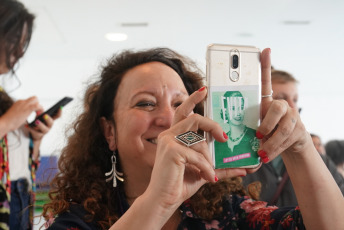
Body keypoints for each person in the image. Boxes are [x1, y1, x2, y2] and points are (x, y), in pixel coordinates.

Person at [41, 47, 344, 230]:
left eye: (179, 104)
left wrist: (300, 146)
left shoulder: (226, 214)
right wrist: (159, 201)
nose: (168, 119)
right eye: (145, 103)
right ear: (110, 131)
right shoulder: (76, 221)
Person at [243, 69, 344, 206]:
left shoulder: (317, 159)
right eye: (282, 99)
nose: (292, 107)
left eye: (295, 100)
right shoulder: (241, 158)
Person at [0, 0, 60, 229]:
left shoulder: (4, 95)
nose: (19, 51)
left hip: (17, 195)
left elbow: (19, 162)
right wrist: (8, 122)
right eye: (14, 40)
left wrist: (35, 138)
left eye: (23, 43)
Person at [214, 91, 259, 168]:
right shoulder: (218, 143)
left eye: (241, 108)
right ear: (225, 112)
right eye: (233, 108)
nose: (238, 113)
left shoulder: (254, 136)